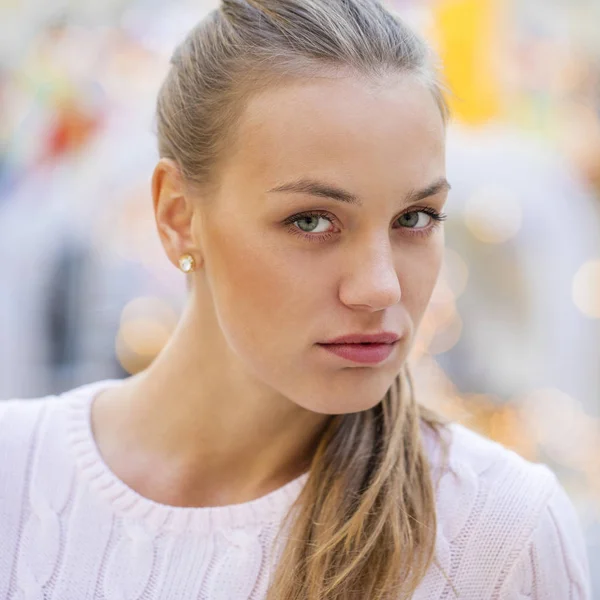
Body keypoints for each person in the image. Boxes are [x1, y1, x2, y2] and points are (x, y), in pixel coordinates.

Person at [0, 0, 591, 598]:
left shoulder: (501, 533)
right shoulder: (15, 474)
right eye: (312, 221)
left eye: (415, 217)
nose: (381, 287)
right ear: (178, 216)